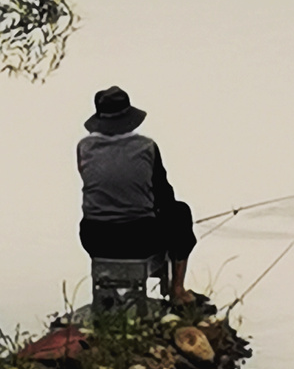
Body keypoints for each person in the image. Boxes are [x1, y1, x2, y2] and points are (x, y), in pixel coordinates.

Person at [77, 85, 206, 309]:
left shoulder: (84, 147)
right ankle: (176, 290)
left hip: (94, 238)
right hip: (139, 240)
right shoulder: (146, 147)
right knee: (180, 212)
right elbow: (164, 197)